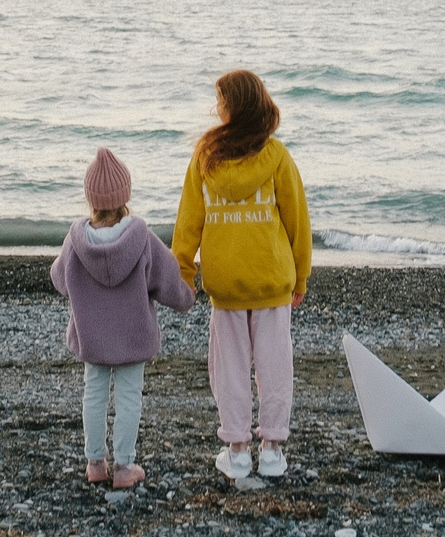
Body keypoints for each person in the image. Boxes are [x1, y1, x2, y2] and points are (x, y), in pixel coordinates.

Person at [173, 69, 310, 481]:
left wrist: (182, 273)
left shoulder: (205, 157)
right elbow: (297, 223)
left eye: (222, 101)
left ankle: (236, 451)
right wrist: (300, 277)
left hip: (225, 284)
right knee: (275, 367)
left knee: (229, 370)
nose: (218, 108)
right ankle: (271, 450)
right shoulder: (277, 157)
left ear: (232, 107)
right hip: (271, 281)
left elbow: (188, 224)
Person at [50, 147, 193, 489]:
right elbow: (168, 279)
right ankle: (124, 466)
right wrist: (187, 297)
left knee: (94, 395)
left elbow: (59, 279)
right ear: (125, 195)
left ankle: (95, 463)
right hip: (133, 337)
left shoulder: (75, 241)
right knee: (129, 397)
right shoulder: (141, 237)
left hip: (92, 338)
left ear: (91, 199)